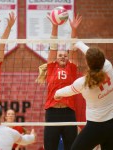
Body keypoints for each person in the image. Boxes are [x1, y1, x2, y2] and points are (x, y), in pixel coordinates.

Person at [54, 41, 113, 150]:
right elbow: (92, 55)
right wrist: (79, 43)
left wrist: (56, 94)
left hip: (95, 128)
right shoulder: (108, 66)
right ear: (102, 60)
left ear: (87, 62)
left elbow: (68, 90)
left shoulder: (83, 82)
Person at [35, 14, 82, 150]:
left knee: (71, 147)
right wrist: (54, 26)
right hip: (52, 113)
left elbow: (73, 49)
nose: (63, 57)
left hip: (69, 112)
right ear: (56, 58)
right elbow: (53, 46)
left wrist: (74, 30)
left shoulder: (71, 68)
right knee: (50, 147)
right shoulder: (51, 67)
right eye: (60, 55)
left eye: (65, 56)